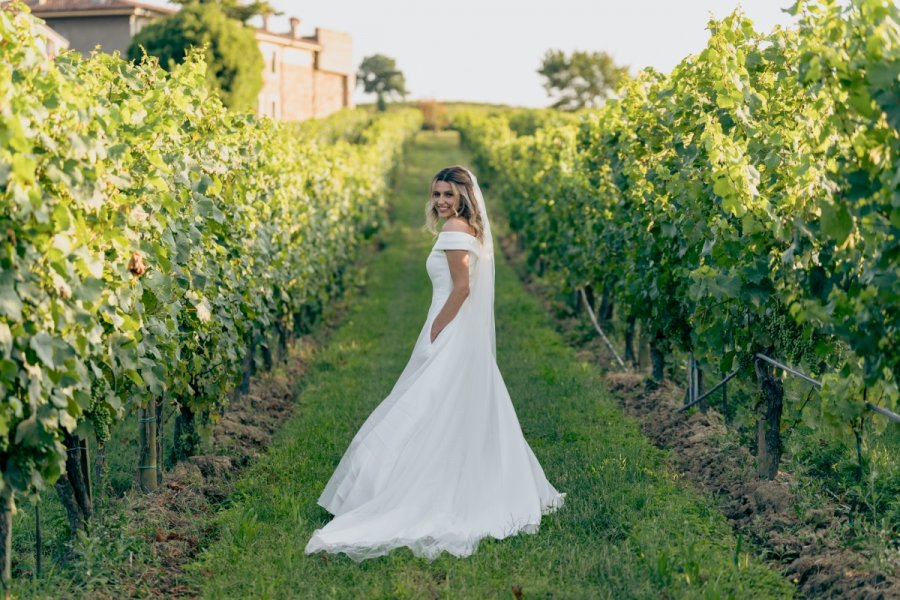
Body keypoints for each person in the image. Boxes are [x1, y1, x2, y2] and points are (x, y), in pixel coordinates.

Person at [304, 165, 565, 561]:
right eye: (436, 194)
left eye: (448, 194)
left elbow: (462, 289)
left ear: (463, 196)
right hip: (454, 329)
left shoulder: (454, 231)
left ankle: (400, 492)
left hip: (449, 330)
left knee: (420, 407)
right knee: (445, 409)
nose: (441, 201)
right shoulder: (466, 228)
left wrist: (436, 331)